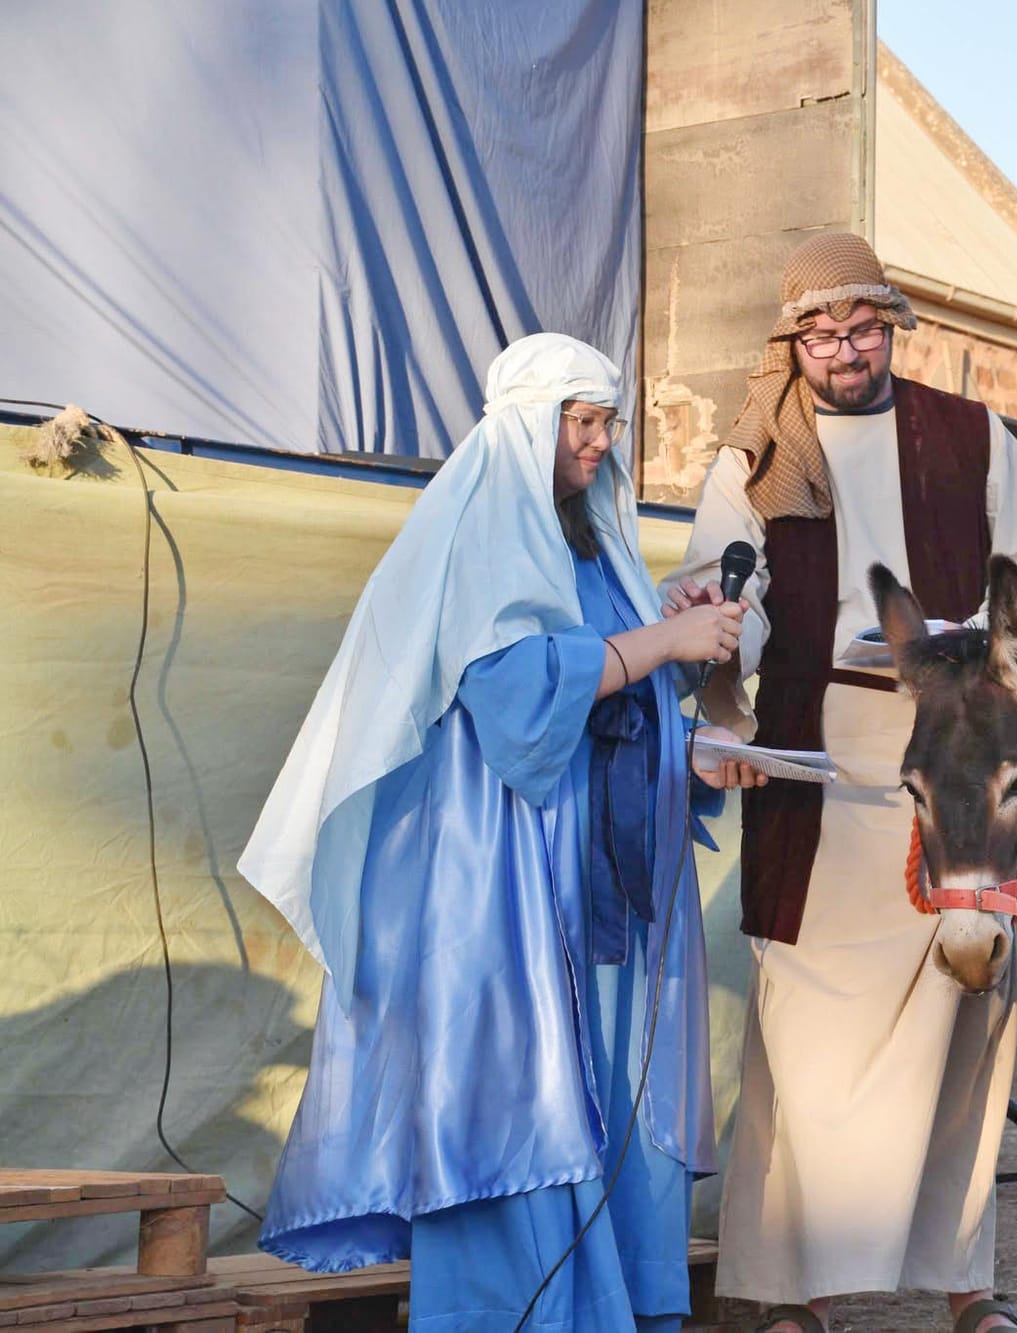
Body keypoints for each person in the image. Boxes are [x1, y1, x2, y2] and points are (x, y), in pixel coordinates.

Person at [239, 333, 736, 1331]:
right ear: (526, 426)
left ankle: (614, 1308)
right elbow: (516, 695)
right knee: (519, 1091)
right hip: (507, 881)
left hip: (596, 883)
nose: (598, 445)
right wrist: (660, 640)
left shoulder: (588, 539)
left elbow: (607, 691)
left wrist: (682, 722)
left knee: (598, 1088)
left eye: (607, 424)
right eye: (580, 424)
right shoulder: (485, 530)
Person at [664, 232, 1017, 1333]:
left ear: (889, 326)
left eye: (860, 327)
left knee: (965, 1023)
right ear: (791, 339)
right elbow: (720, 597)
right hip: (817, 759)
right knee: (804, 1035)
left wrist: (985, 642)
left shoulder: (971, 437)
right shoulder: (756, 458)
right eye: (819, 331)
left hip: (954, 755)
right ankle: (792, 1294)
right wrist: (723, 670)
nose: (842, 349)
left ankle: (966, 1289)